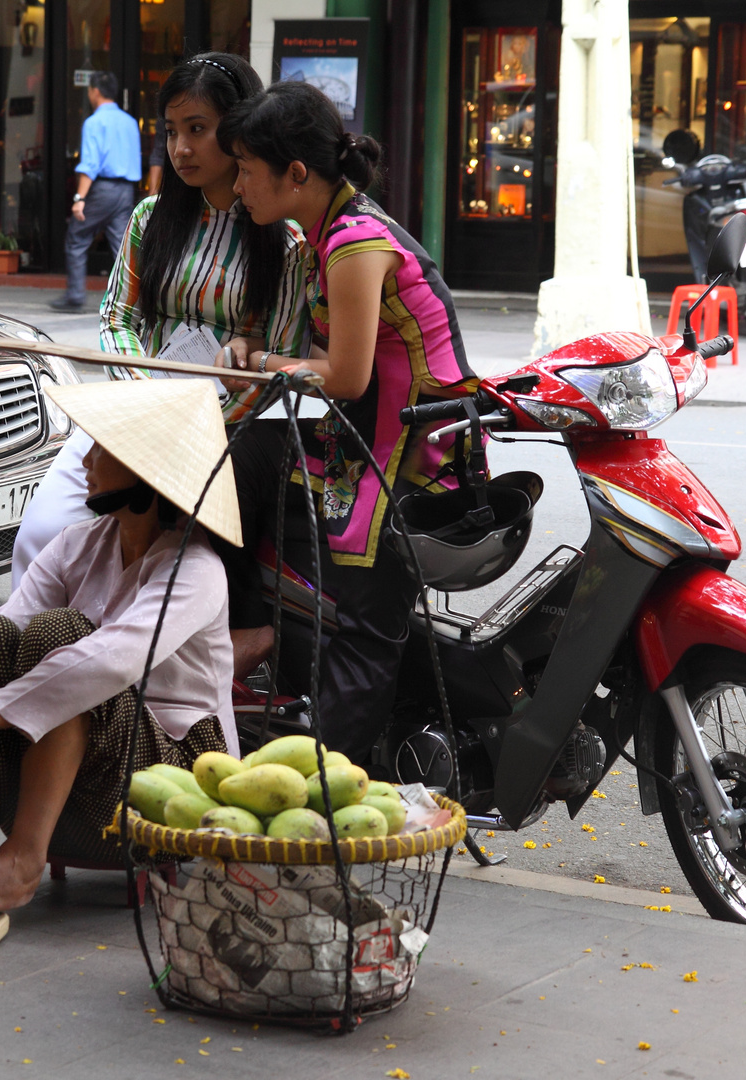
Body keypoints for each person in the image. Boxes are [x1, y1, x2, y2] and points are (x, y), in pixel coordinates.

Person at [0, 378, 239, 921]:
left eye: (104, 448)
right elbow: (6, 623)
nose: (87, 459)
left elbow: (113, 659)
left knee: (63, 636)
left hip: (164, 801)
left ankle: (22, 862)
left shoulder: (195, 570)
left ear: (147, 473)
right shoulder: (77, 545)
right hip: (70, 792)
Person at [216, 81, 476, 765]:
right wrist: (260, 355)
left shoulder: (354, 243)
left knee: (361, 630)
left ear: (294, 173)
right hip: (377, 436)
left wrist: (263, 364)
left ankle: (331, 804)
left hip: (412, 454)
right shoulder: (330, 230)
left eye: (246, 168)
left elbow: (347, 375)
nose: (238, 185)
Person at [12, 52, 309, 633]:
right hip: (130, 418)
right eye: (171, 132)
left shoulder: (287, 242)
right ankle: (22, 664)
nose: (180, 149)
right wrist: (146, 405)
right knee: (45, 531)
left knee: (164, 572)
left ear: (239, 128)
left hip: (215, 437)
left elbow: (277, 358)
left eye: (197, 130)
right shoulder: (151, 219)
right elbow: (115, 318)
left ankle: (119, 688)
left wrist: (195, 427)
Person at [49, 72, 141, 312]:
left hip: (103, 189)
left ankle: (75, 296)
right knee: (123, 247)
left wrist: (79, 199)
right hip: (126, 190)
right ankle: (137, 298)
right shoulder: (130, 122)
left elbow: (90, 165)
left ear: (96, 91)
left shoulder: (94, 122)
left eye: (89, 91)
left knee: (77, 238)